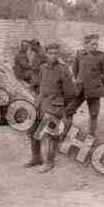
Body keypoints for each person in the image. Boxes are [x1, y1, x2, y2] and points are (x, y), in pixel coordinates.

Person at [25, 43, 76, 173]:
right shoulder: (43, 67)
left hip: (55, 106)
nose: (53, 56)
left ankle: (49, 161)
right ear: (46, 54)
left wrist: (62, 107)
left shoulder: (64, 70)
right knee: (32, 130)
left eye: (56, 53)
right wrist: (38, 99)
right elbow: (39, 85)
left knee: (50, 134)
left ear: (59, 54)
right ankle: (36, 157)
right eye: (51, 53)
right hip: (40, 104)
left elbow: (70, 93)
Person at [65, 34, 104, 136]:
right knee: (68, 111)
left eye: (96, 44)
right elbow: (75, 70)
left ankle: (91, 135)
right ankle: (66, 132)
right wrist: (80, 81)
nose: (95, 46)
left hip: (94, 91)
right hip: (80, 90)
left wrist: (99, 85)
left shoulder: (101, 56)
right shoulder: (79, 54)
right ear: (86, 44)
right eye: (93, 44)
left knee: (93, 115)